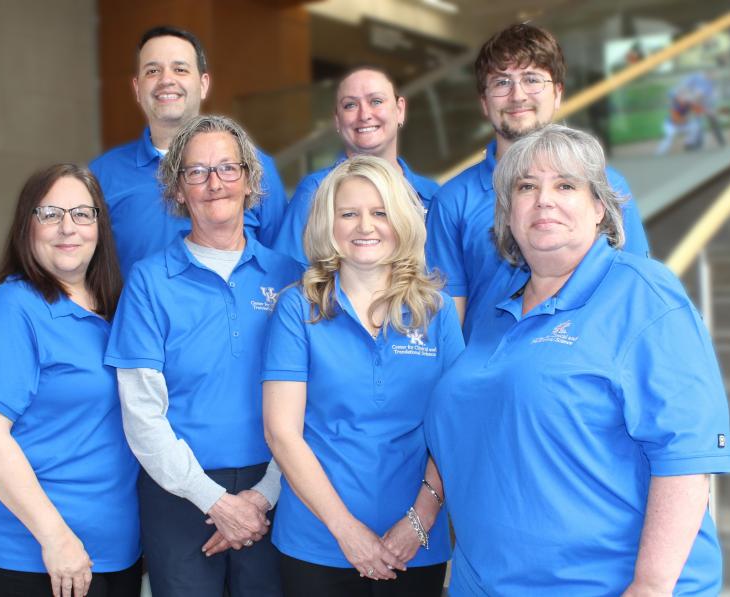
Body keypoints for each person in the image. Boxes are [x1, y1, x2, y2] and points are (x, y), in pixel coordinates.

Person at [425, 125, 730, 596]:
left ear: (600, 208)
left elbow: (684, 455)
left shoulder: (642, 294)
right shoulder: (494, 313)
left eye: (566, 184)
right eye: (526, 187)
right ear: (507, 216)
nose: (544, 199)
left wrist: (650, 587)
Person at [105, 115, 301, 597]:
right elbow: (141, 413)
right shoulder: (149, 283)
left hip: (279, 483)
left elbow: (312, 399)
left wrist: (262, 496)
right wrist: (215, 501)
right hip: (178, 491)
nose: (215, 183)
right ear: (176, 190)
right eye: (196, 172)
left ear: (252, 182)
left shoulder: (292, 278)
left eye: (228, 169)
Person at [263, 155, 464, 596]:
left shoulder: (438, 312)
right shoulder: (298, 309)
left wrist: (420, 520)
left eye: (380, 213)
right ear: (327, 225)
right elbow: (283, 434)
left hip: (416, 543)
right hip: (317, 543)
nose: (364, 226)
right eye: (348, 214)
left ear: (403, 221)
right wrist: (347, 531)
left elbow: (457, 428)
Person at [0, 164, 141, 597]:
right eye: (50, 214)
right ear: (27, 225)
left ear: (100, 226)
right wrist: (55, 537)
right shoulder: (11, 308)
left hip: (114, 548)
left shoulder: (119, 309)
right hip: (31, 552)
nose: (67, 228)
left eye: (82, 213)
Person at [425, 24, 650, 340]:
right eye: (502, 82)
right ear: (484, 102)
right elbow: (448, 326)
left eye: (532, 79)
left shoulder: (607, 184)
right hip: (491, 377)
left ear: (558, 93)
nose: (517, 95)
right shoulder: (452, 201)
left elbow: (635, 294)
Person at [90, 25, 287, 278]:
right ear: (137, 88)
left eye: (180, 69)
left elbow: (279, 270)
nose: (166, 80)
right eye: (152, 71)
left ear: (203, 84)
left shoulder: (254, 167)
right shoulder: (101, 176)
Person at [272, 67, 439, 267]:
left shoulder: (434, 195)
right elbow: (285, 275)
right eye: (350, 105)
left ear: (400, 110)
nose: (364, 114)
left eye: (376, 101)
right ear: (337, 119)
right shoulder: (315, 190)